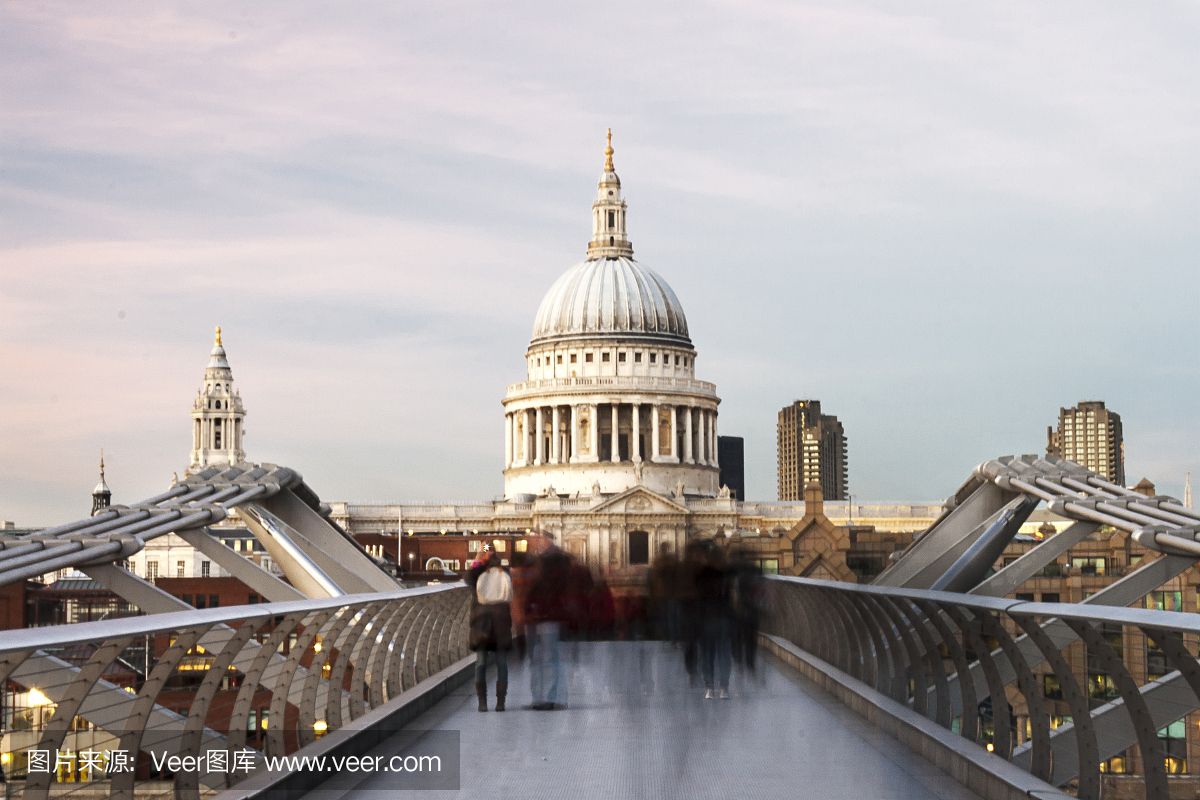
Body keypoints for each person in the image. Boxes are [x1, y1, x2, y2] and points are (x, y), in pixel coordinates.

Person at [525, 548, 573, 710]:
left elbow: (533, 600)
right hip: (549, 622)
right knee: (551, 660)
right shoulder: (558, 581)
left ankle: (542, 698)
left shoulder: (544, 582)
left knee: (541, 660)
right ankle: (549, 698)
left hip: (544, 622)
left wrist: (532, 612)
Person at [467, 549, 513, 711]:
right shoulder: (504, 571)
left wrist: (478, 561)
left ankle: (483, 702)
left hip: (481, 623)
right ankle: (500, 702)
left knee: (481, 663)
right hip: (500, 622)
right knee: (501, 663)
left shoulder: (478, 571)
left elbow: (468, 580)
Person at [695, 544, 733, 699]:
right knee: (724, 655)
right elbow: (729, 599)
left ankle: (709, 688)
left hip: (706, 620)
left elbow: (697, 600)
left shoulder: (700, 575)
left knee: (707, 655)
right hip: (722, 619)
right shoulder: (725, 574)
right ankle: (723, 687)